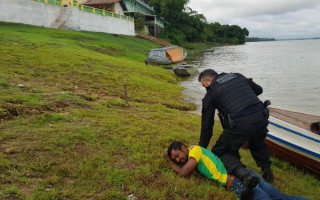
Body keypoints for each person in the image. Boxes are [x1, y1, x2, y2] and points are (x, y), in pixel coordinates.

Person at [197, 69, 274, 187]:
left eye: (205, 86)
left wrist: (201, 149)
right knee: (257, 142)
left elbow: (207, 125)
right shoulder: (238, 76)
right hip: (261, 116)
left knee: (220, 151)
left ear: (209, 80)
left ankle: (246, 176)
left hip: (241, 124)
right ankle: (269, 178)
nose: (206, 89)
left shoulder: (212, 92)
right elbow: (259, 90)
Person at [164, 141, 309, 200]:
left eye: (177, 156)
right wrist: (173, 158)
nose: (178, 160)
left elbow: (183, 173)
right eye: (174, 159)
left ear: (184, 148)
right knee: (283, 198)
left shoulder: (194, 150)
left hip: (238, 183)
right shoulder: (196, 154)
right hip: (247, 175)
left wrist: (169, 161)